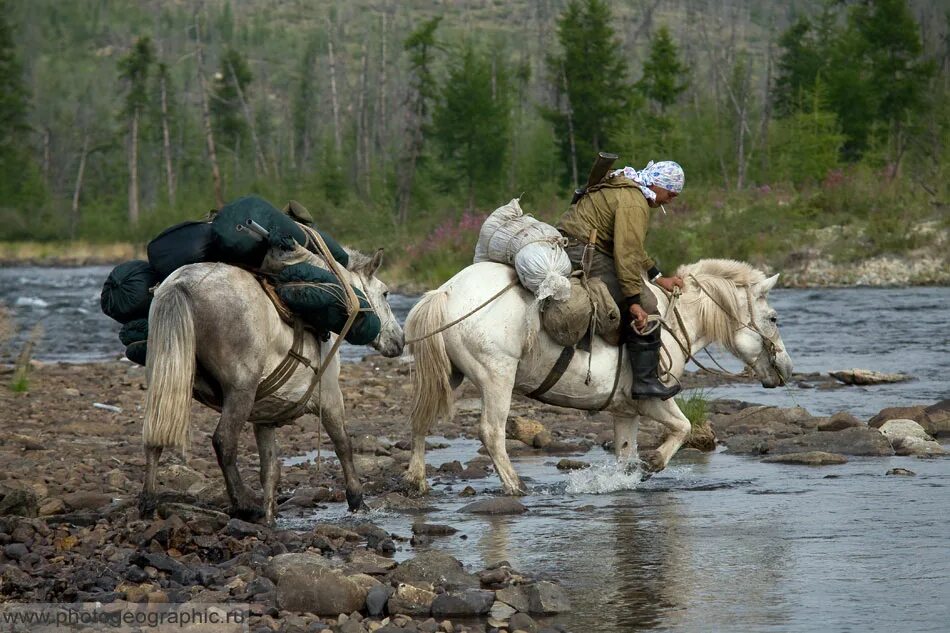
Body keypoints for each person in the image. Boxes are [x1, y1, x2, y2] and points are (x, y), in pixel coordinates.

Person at [557, 160, 685, 400]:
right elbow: (626, 254)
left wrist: (657, 276)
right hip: (583, 251)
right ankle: (645, 382)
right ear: (658, 185)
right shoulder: (635, 203)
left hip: (578, 244)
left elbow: (632, 248)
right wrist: (634, 300)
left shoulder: (628, 190)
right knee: (647, 305)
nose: (670, 200)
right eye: (670, 194)